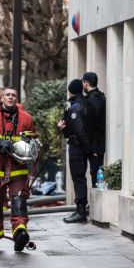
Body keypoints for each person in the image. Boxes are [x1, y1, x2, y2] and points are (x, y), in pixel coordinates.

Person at [0, 86, 37, 252]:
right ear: (2, 98)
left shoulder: (26, 119)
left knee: (19, 202)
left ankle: (20, 233)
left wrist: (28, 141)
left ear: (17, 99)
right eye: (8, 95)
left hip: (18, 170)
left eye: (14, 95)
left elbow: (35, 141)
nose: (10, 97)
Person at [59, 79, 94, 224]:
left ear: (70, 90)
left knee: (78, 178)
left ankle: (80, 212)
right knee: (81, 178)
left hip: (77, 147)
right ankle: (81, 209)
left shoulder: (75, 107)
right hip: (84, 146)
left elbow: (78, 130)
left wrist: (63, 128)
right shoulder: (85, 103)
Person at [82, 72, 106, 187]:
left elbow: (93, 123)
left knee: (96, 173)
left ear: (86, 83)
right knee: (96, 172)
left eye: (83, 83)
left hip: (95, 144)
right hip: (97, 142)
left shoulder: (93, 99)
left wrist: (92, 145)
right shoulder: (100, 97)